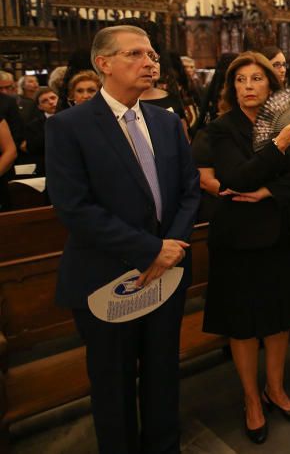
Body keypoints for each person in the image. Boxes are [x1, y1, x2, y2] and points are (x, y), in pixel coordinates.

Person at [45, 25, 200, 454]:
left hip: (166, 276)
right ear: (104, 64)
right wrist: (151, 249)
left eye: (151, 55)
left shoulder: (166, 123)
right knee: (113, 386)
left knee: (162, 375)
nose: (149, 62)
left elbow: (188, 191)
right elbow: (75, 209)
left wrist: (170, 248)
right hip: (106, 277)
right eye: (135, 54)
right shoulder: (69, 127)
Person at [194, 51, 290, 444]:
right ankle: (251, 398)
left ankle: (275, 389)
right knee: (244, 323)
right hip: (239, 238)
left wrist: (270, 190)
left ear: (271, 85)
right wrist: (277, 147)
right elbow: (235, 178)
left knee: (280, 318)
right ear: (232, 88)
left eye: (256, 79)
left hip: (280, 231)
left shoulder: (288, 123)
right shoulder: (221, 129)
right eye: (241, 80)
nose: (248, 87)